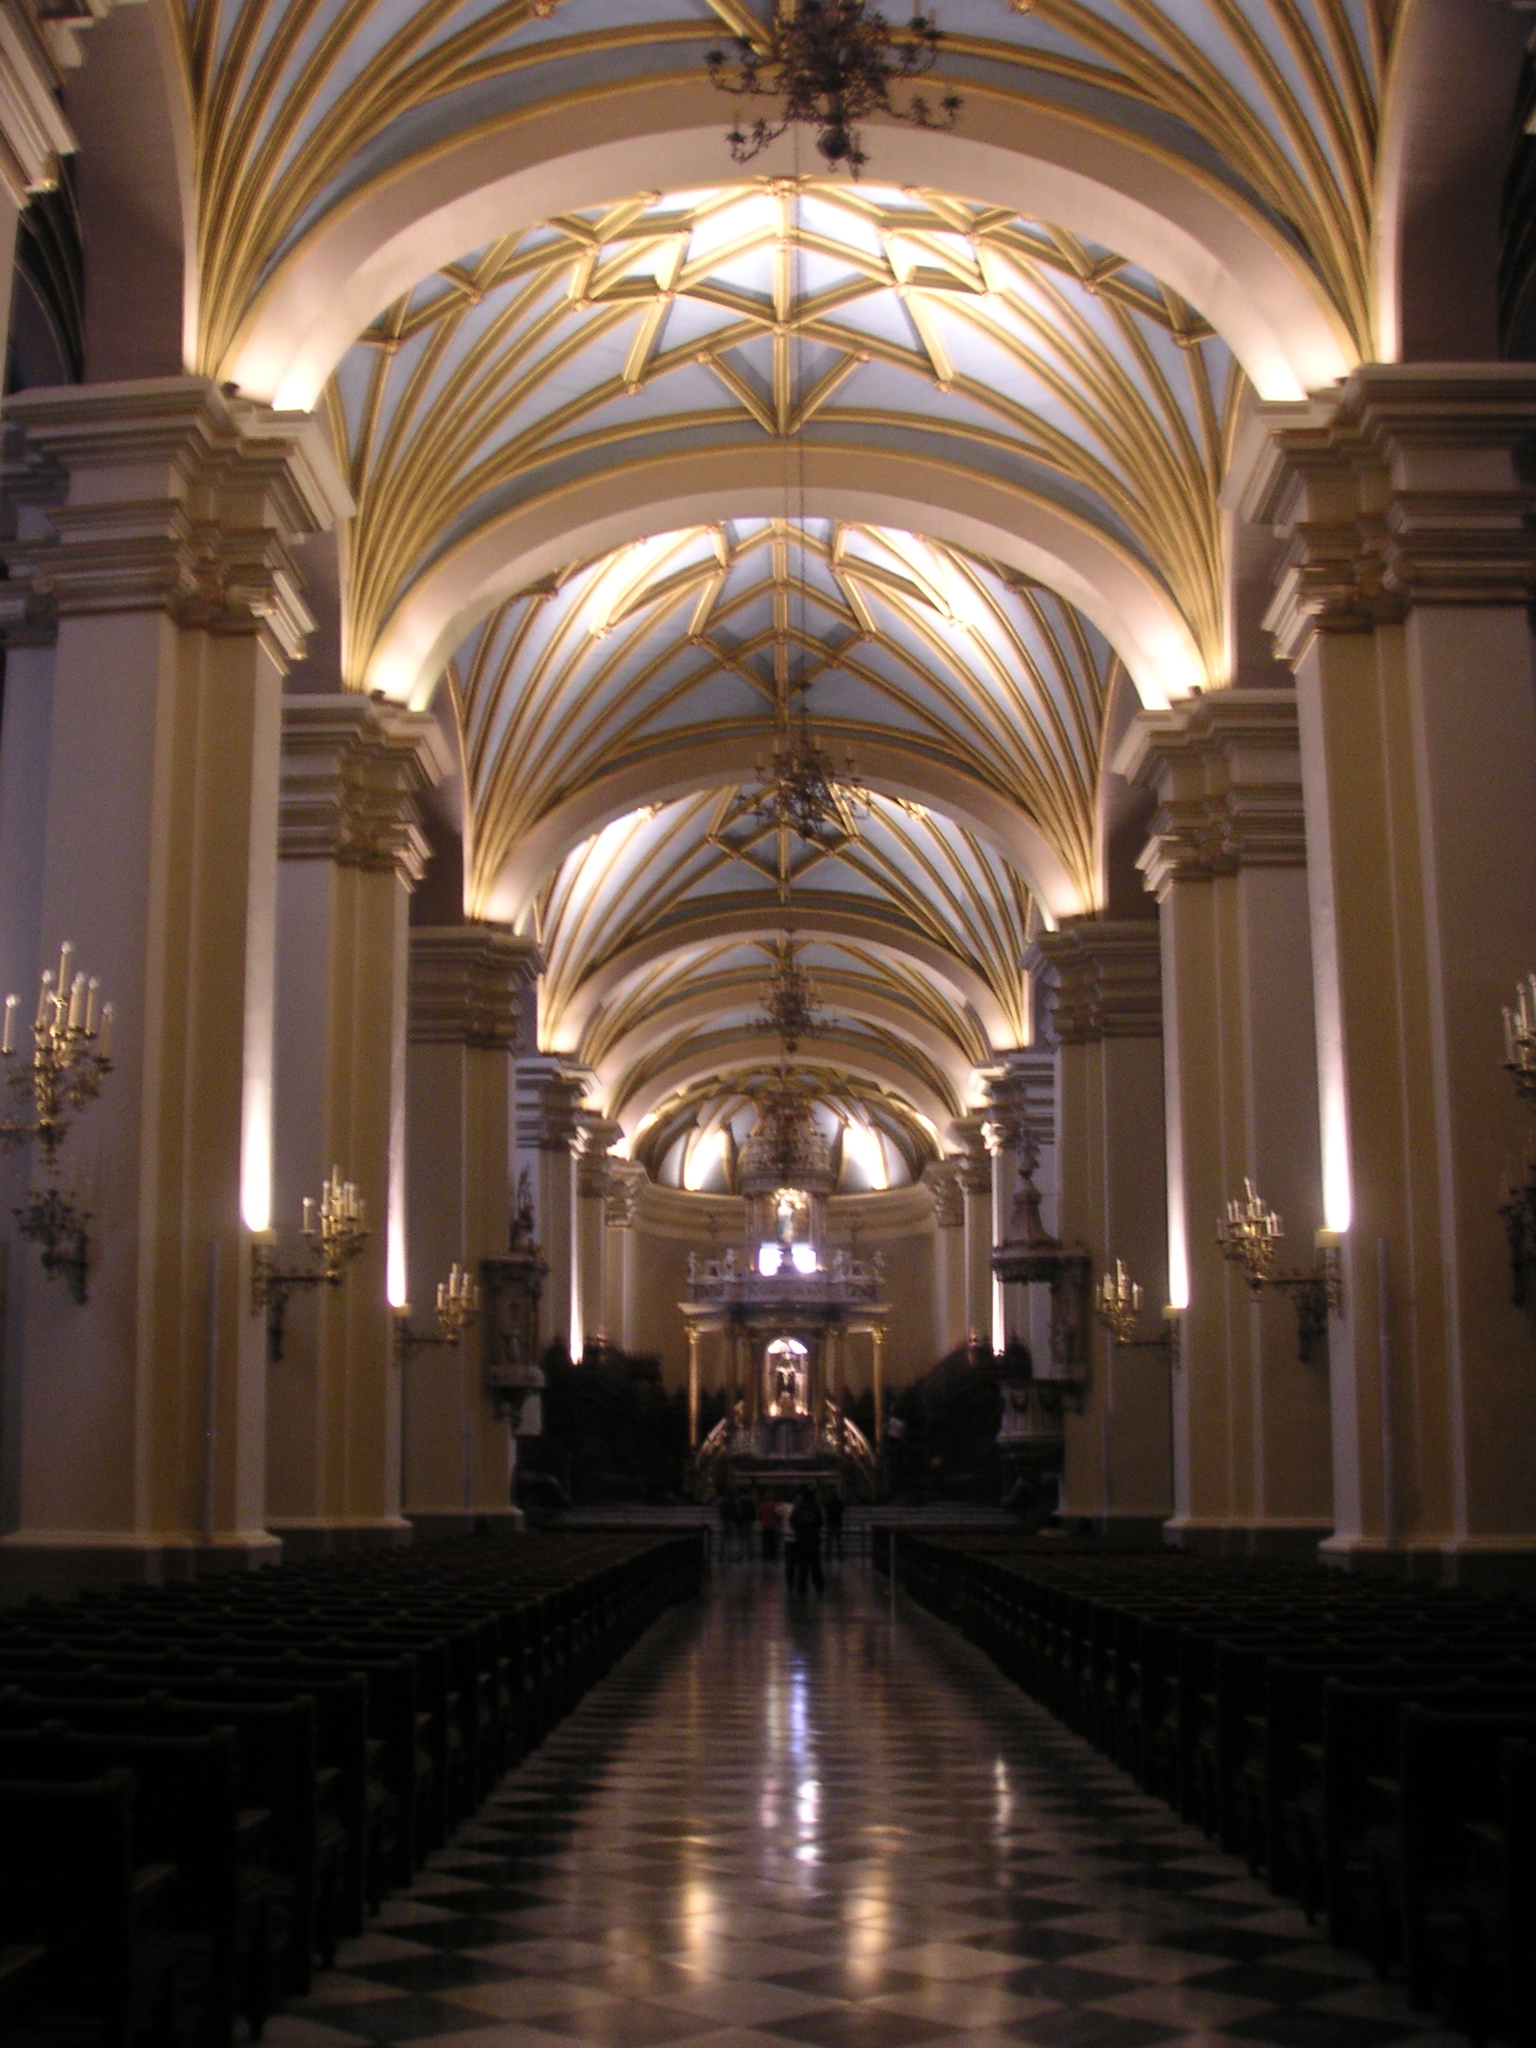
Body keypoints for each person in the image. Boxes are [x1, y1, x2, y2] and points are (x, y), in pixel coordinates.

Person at [789, 1487, 825, 1594]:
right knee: (816, 1565)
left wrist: (799, 1531)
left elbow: (792, 1521)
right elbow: (820, 1522)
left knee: (802, 1566)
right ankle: (819, 1586)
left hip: (801, 1540)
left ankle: (801, 1588)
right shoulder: (815, 1508)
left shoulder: (799, 1508)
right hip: (813, 1539)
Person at [824, 1488, 845, 1562]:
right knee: (838, 1540)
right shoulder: (840, 1502)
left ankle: (827, 1556)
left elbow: (826, 1509)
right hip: (838, 1522)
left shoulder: (828, 1502)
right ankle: (840, 1556)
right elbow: (842, 1510)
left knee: (829, 1540)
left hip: (830, 1522)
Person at [758, 1490, 779, 1562]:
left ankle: (765, 1556)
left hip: (764, 1526)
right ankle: (772, 1556)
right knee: (772, 1542)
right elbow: (777, 1515)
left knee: (765, 1543)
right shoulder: (774, 1505)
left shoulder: (762, 1505)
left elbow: (759, 1516)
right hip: (772, 1526)